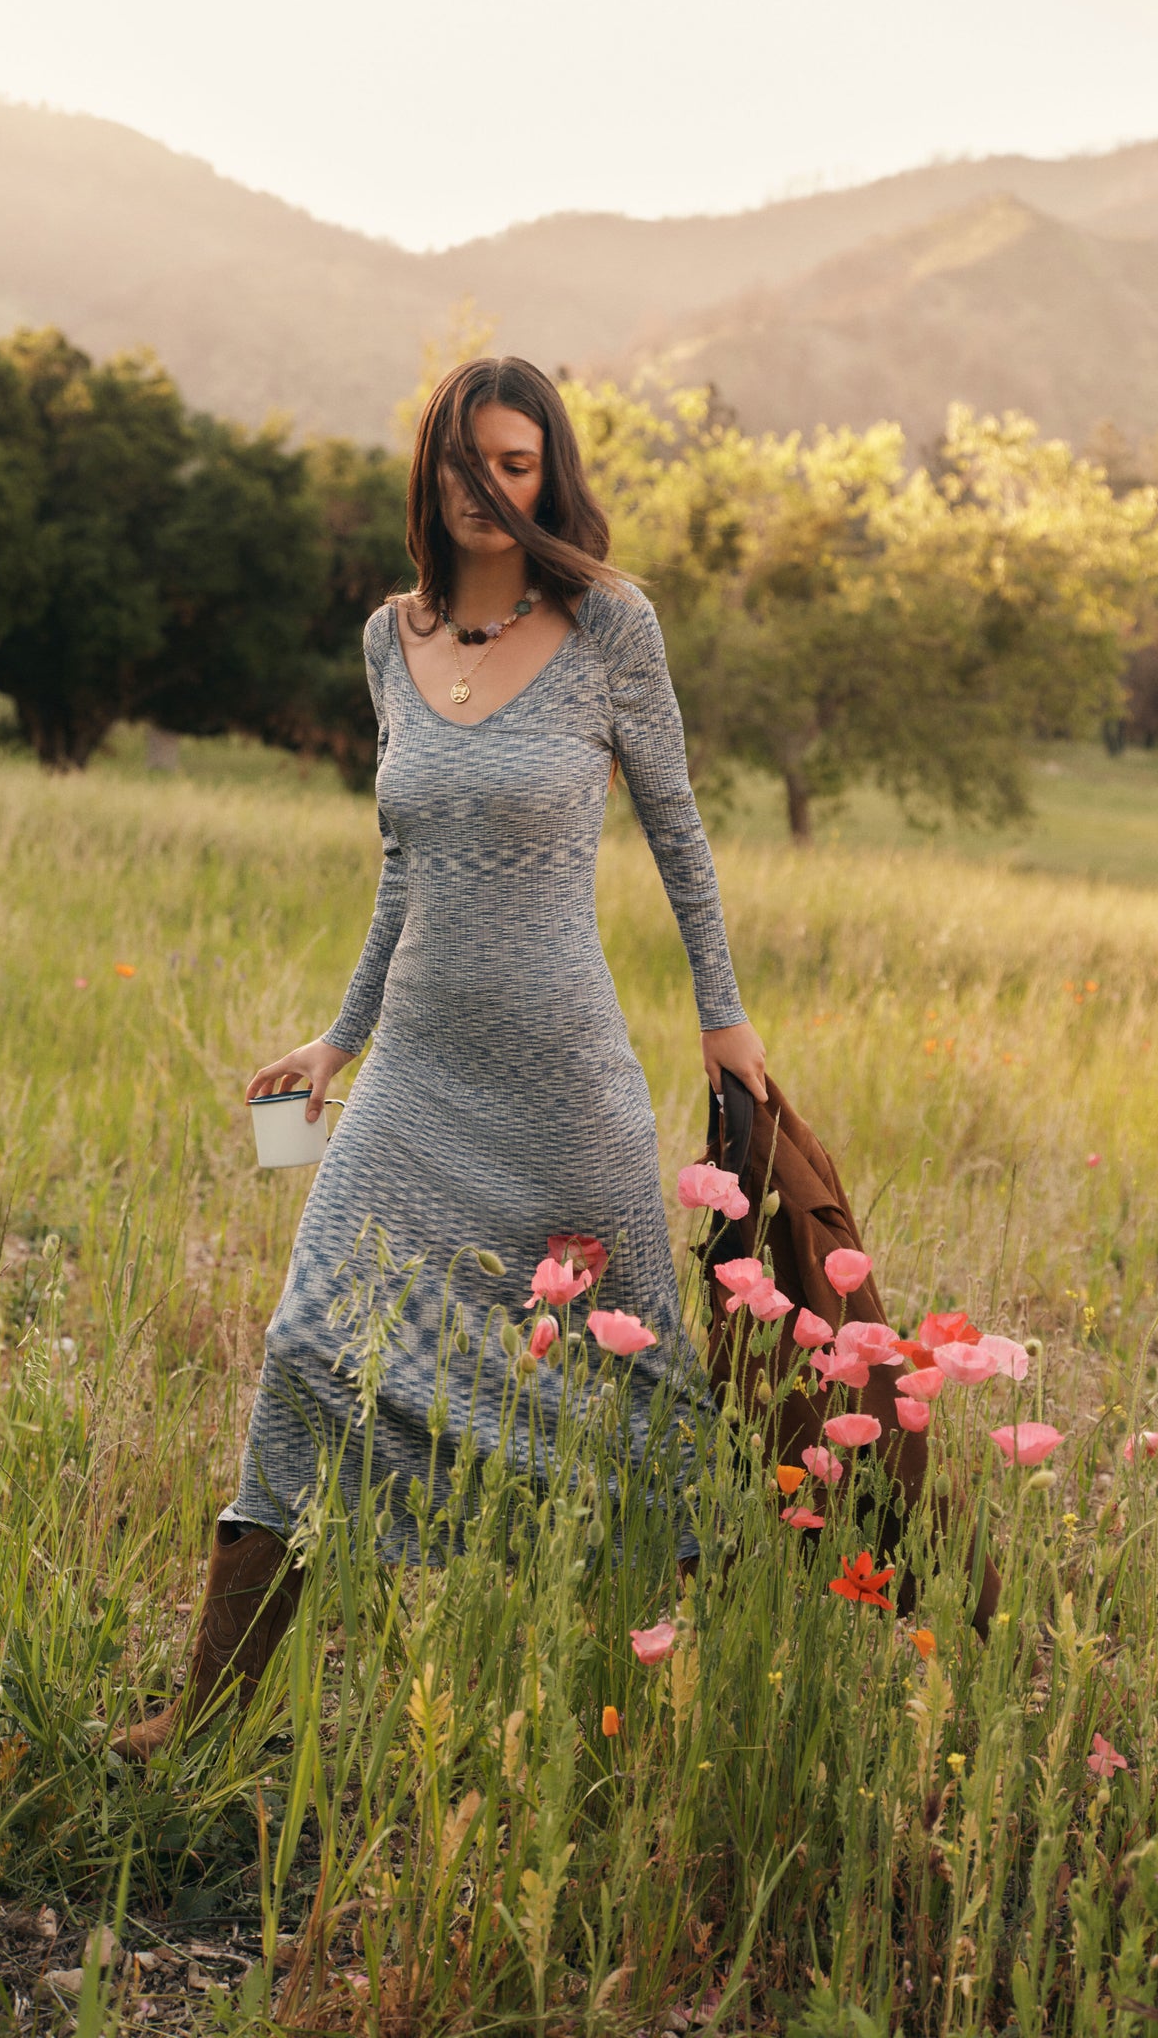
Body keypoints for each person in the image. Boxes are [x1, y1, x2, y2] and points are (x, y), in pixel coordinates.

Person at [112, 357, 766, 1760]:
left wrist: (722, 1014)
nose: (489, 489)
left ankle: (700, 1706)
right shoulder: (387, 639)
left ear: (550, 476)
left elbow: (678, 828)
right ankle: (209, 1715)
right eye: (468, 463)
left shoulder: (611, 625)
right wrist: (338, 1037)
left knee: (627, 1390)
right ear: (433, 473)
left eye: (516, 465)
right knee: (310, 1347)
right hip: (412, 1073)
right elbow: (402, 865)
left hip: (566, 1079)